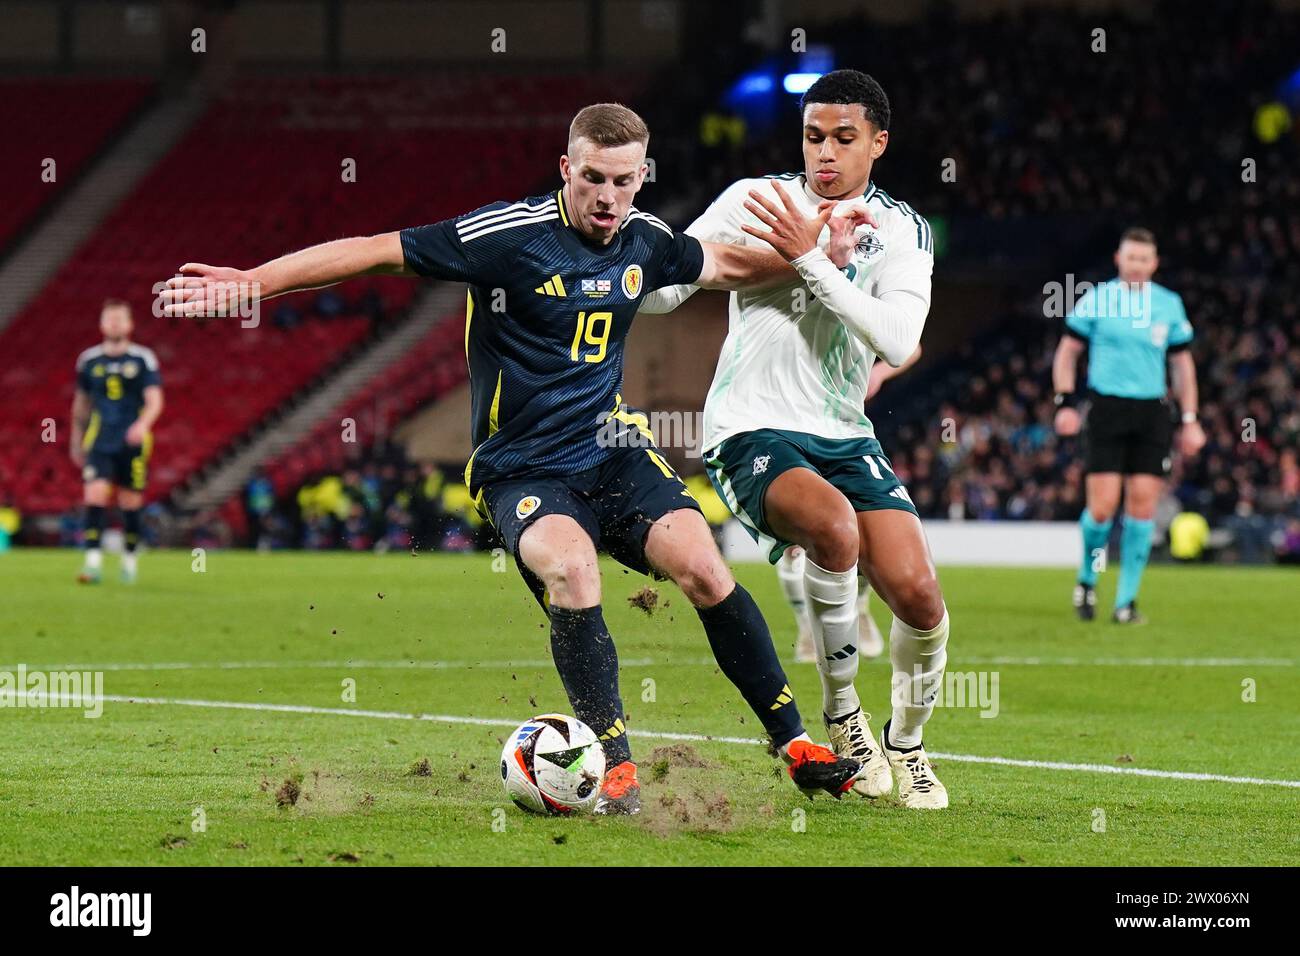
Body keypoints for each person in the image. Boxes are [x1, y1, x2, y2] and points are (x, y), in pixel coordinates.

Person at [161, 102, 865, 815]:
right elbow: (375, 249)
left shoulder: (647, 240)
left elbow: (724, 264)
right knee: (573, 567)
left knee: (706, 569)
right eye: (593, 178)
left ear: (641, 177)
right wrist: (254, 282)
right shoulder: (508, 235)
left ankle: (795, 745)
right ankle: (615, 768)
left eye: (624, 182)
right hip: (522, 467)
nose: (608, 197)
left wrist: (813, 261)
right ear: (567, 168)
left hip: (612, 452)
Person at [639, 71, 950, 809]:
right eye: (814, 136)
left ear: (878, 142)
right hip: (751, 424)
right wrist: (639, 255)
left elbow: (899, 343)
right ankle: (844, 717)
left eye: (844, 138)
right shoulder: (758, 199)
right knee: (833, 530)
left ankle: (906, 744)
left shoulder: (902, 229)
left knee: (920, 596)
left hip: (844, 429)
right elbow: (662, 293)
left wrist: (813, 262)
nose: (826, 154)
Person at [1052, 227, 1205, 623]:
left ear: (1153, 263)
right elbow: (1067, 353)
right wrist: (1065, 402)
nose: (1136, 265)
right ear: (1119, 259)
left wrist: (1190, 419)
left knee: (1142, 509)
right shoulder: (1096, 300)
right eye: (1130, 257)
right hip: (1106, 409)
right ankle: (1087, 580)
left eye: (1144, 259)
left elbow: (1182, 365)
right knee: (1101, 509)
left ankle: (1126, 602)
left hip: (1152, 413)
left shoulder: (1168, 305)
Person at [782, 345, 922, 664]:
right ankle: (807, 629)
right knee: (795, 540)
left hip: (847, 430)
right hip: (789, 429)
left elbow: (911, 344)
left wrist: (879, 373)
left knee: (856, 532)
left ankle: (857, 608)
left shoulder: (855, 302)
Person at [70, 299, 163, 584]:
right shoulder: (88, 361)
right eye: (109, 319)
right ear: (101, 324)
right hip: (100, 439)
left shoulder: (143, 359)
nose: (114, 324)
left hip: (132, 440)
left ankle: (129, 561)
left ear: (130, 324)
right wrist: (76, 440)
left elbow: (155, 401)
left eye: (119, 319)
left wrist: (142, 424)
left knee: (129, 502)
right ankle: (93, 563)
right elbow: (81, 405)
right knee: (95, 495)